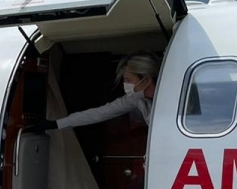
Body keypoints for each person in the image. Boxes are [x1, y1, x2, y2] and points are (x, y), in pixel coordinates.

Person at [26, 53, 161, 133]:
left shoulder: (172, 98)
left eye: (128, 80)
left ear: (146, 80)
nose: (125, 85)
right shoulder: (136, 99)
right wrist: (55, 124)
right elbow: (99, 113)